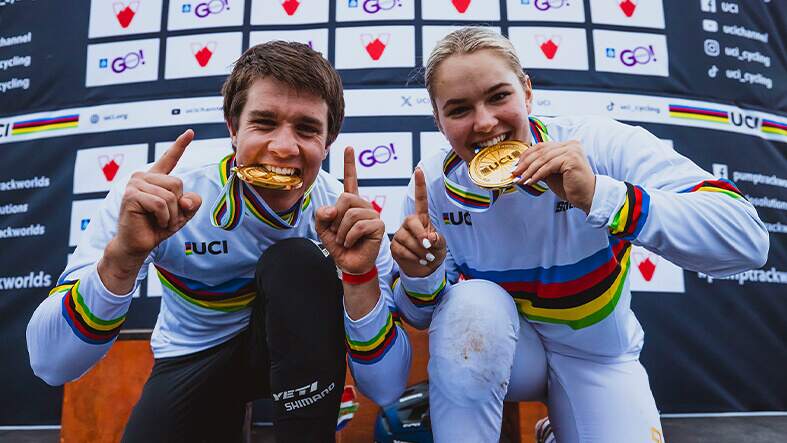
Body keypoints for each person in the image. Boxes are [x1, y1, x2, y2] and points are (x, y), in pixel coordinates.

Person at [389, 27, 769, 442]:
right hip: (510, 353)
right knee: (470, 303)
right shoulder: (433, 187)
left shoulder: (599, 143)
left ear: (527, 93)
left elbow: (748, 240)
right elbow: (421, 314)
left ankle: (568, 426)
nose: (484, 123)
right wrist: (419, 275)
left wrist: (602, 197)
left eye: (499, 96)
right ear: (439, 120)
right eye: (459, 110)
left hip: (598, 357)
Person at [26, 41, 410, 443]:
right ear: (232, 127)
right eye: (264, 123)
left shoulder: (347, 217)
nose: (283, 147)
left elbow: (385, 389)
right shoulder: (163, 195)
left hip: (305, 360)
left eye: (307, 128)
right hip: (194, 355)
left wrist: (359, 275)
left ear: (328, 140)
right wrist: (122, 259)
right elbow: (51, 364)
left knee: (297, 261)